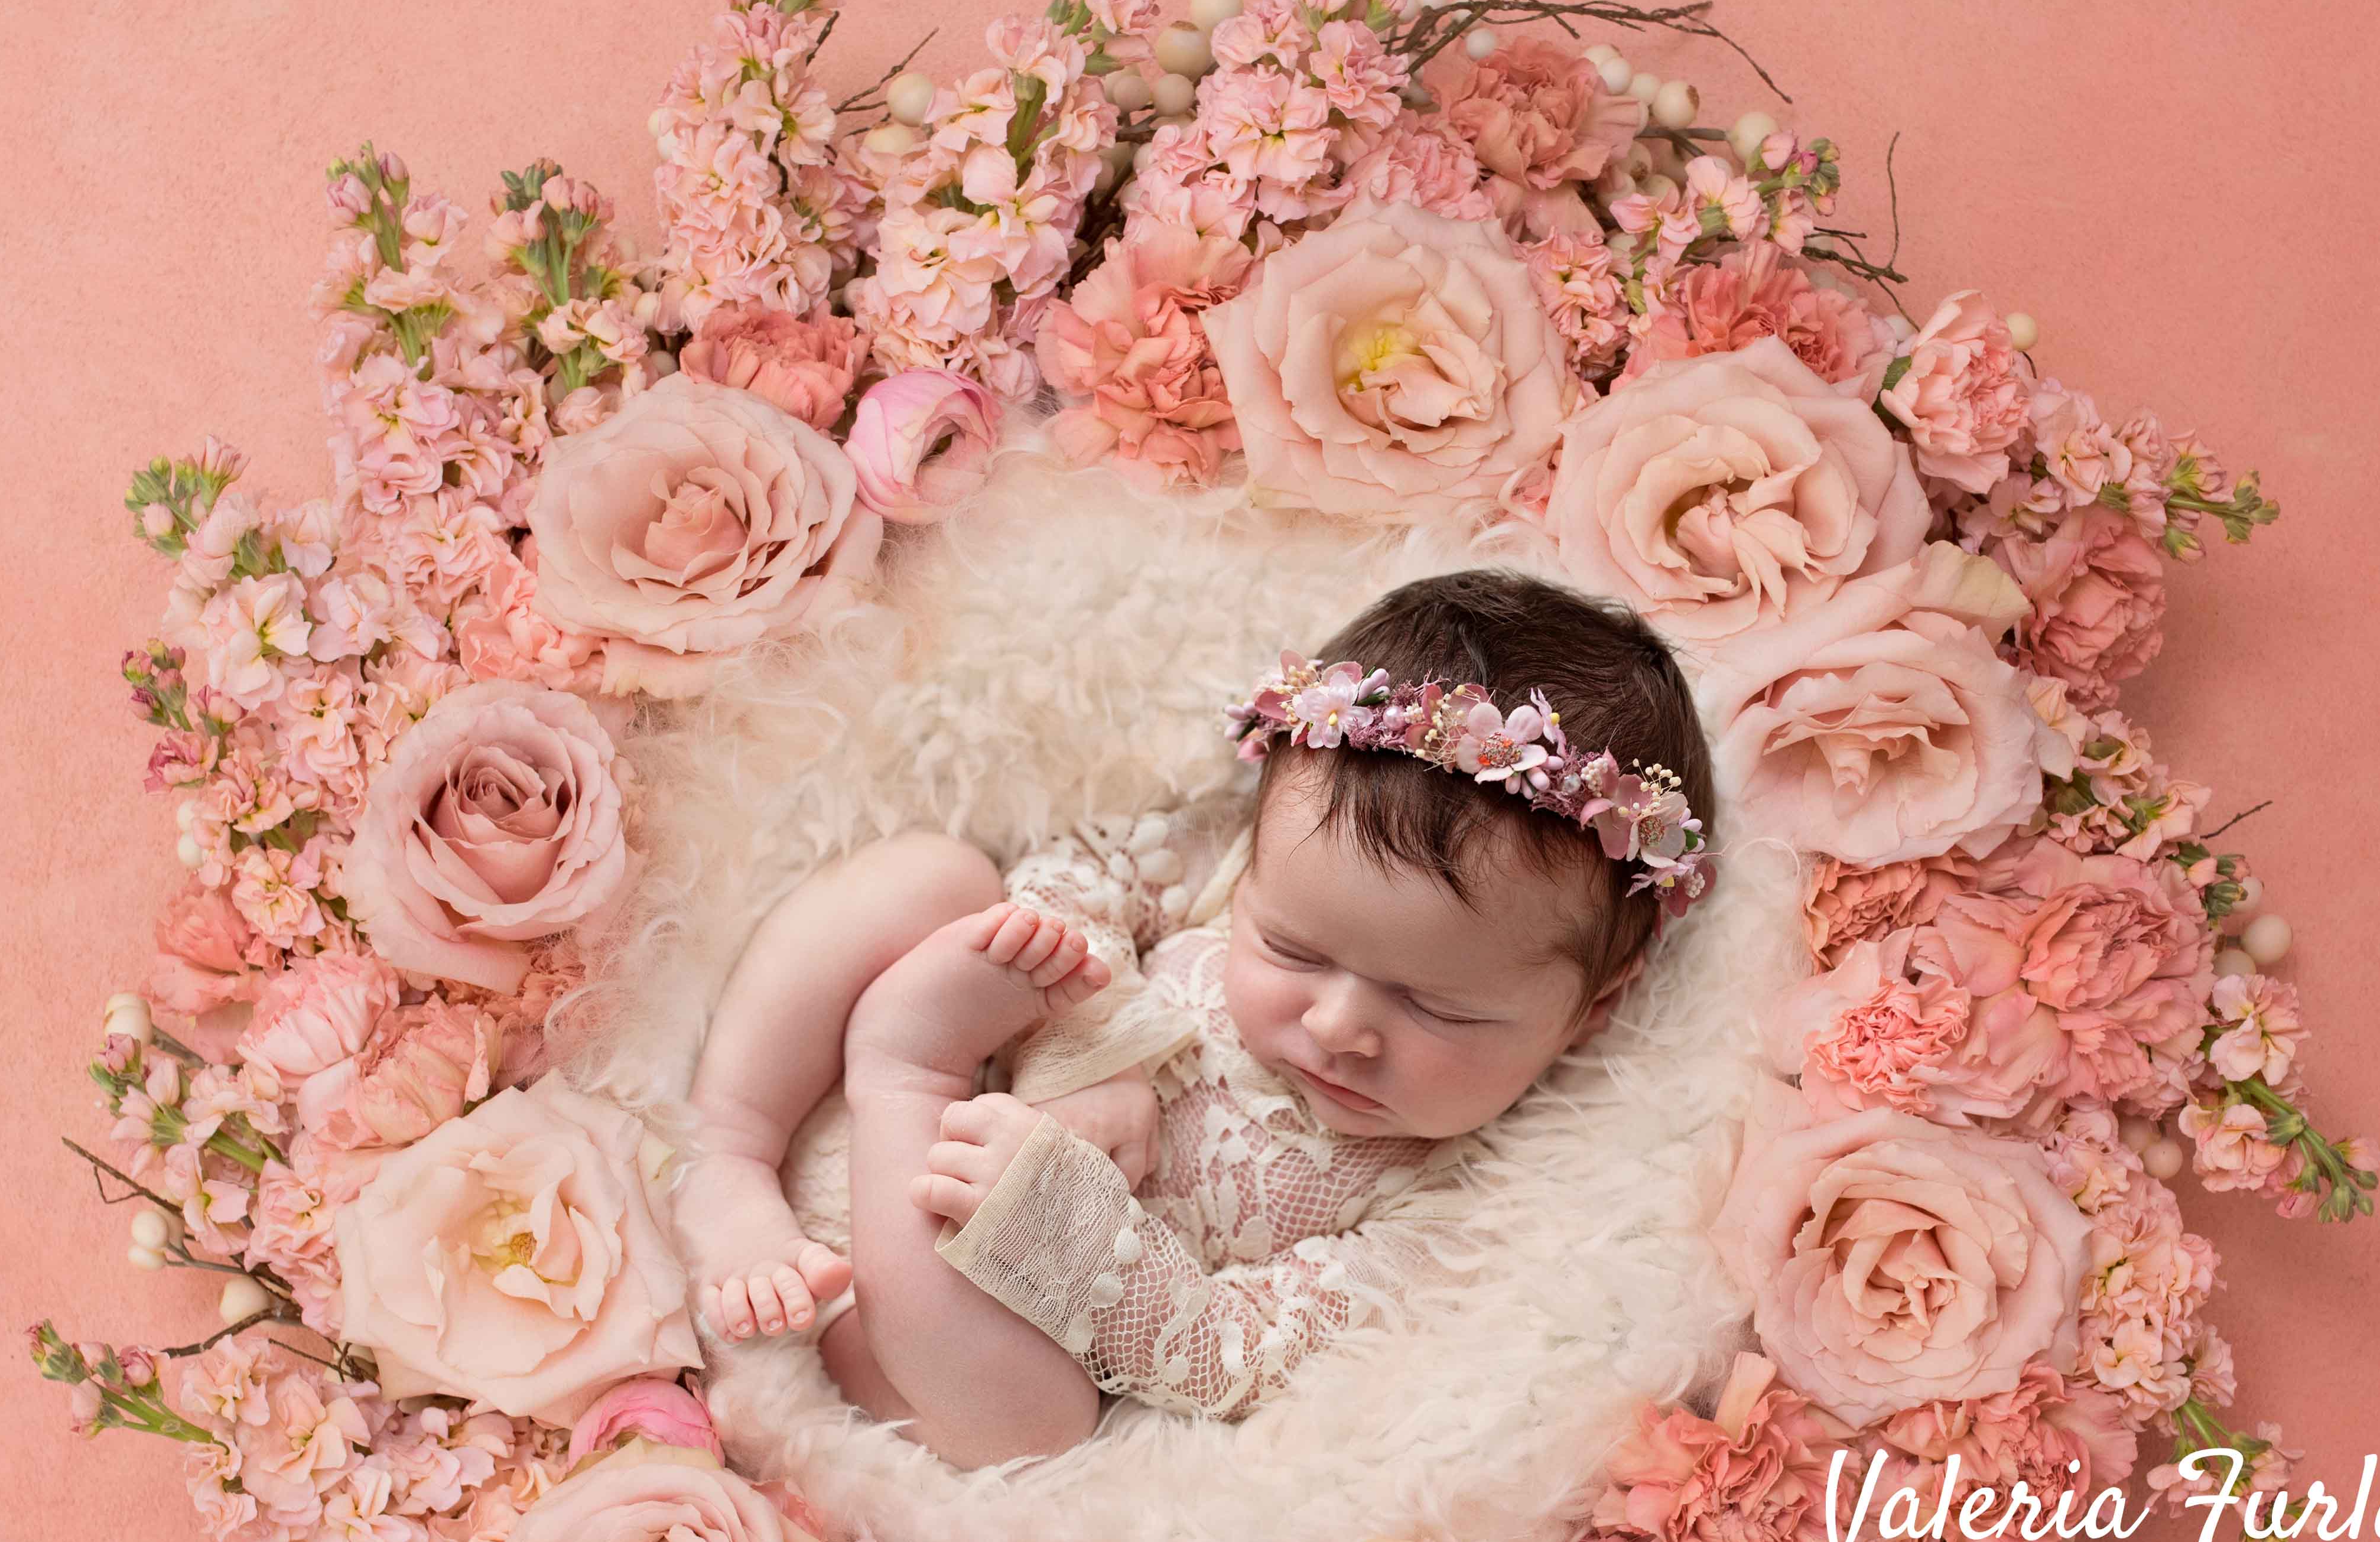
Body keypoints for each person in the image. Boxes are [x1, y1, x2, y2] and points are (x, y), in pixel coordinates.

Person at [672, 567, 1718, 1468]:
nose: (1342, 1024)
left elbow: (1230, 1353)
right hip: (885, 1121)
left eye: (1437, 1006)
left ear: (1593, 1008)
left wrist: (1063, 1230)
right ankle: (730, 1145)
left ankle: (900, 1067)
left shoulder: (1436, 1202)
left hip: (926, 1323)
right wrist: (1089, 1045)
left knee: (1035, 1429)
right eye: (1293, 950)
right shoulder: (1225, 860)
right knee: (933, 880)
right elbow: (1081, 875)